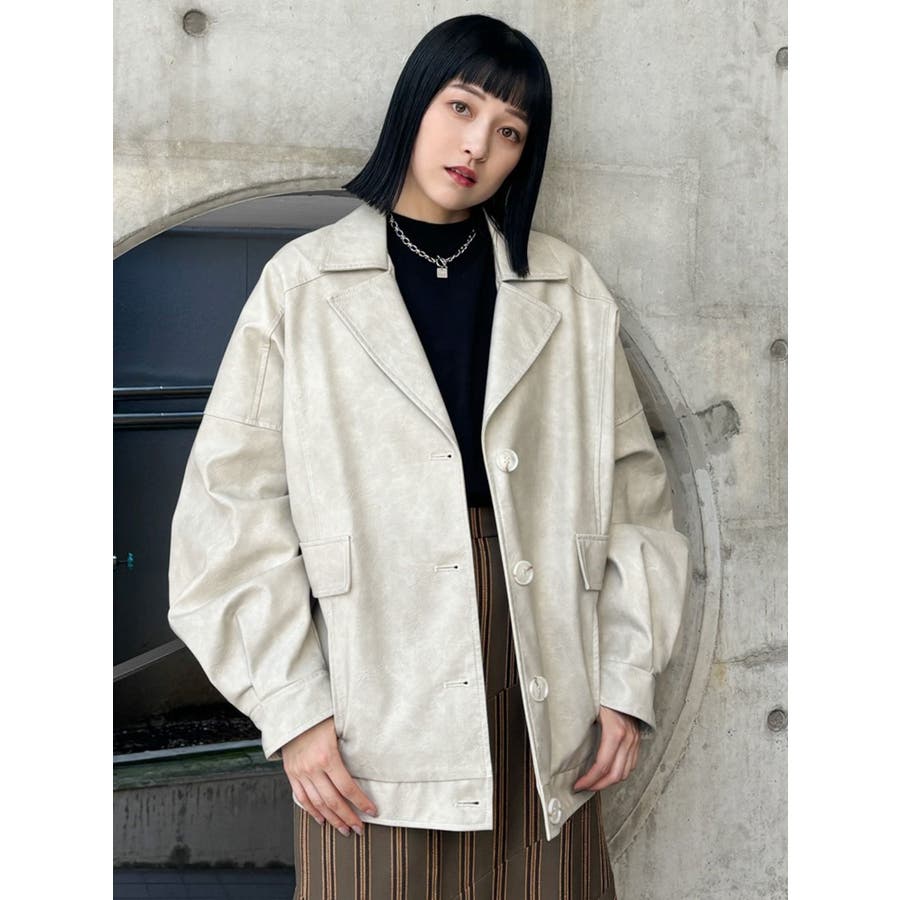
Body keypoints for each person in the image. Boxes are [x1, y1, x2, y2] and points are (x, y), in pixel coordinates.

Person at [168, 13, 690, 900]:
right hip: (373, 680)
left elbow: (634, 499)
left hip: (542, 660)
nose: (477, 144)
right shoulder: (302, 284)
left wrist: (625, 680)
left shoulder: (566, 286)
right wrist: (293, 711)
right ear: (416, 101)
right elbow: (231, 511)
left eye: (510, 131)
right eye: (461, 107)